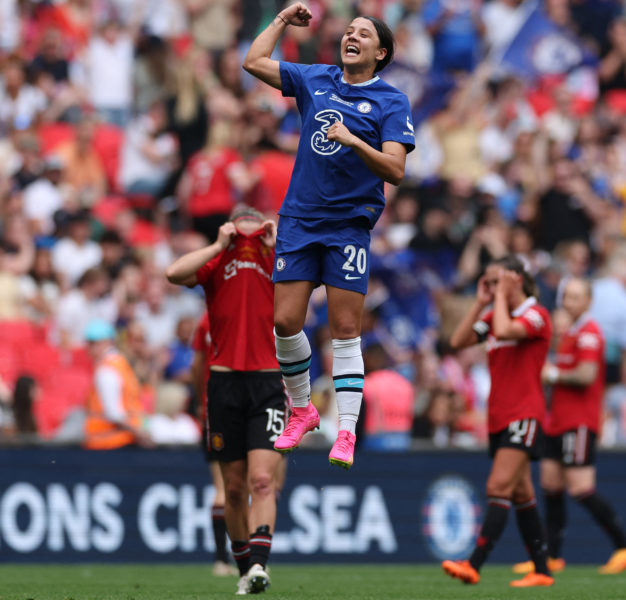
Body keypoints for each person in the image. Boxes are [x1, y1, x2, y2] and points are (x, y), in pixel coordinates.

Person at [242, 3, 415, 469]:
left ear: (380, 53)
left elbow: (396, 169)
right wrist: (279, 21)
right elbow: (253, 62)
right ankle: (302, 410)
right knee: (284, 322)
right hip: (300, 219)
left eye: (363, 33)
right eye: (348, 30)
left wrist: (356, 141)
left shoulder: (391, 101)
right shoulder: (317, 78)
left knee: (344, 330)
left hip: (348, 225)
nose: (350, 36)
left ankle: (346, 431)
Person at [165, 206, 286, 595]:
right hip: (224, 384)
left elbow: (312, 275)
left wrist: (275, 242)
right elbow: (174, 273)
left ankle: (258, 567)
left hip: (268, 381)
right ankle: (242, 567)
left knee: (262, 480)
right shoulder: (217, 260)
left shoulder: (277, 257)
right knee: (233, 487)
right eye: (241, 234)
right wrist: (220, 243)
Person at [512, 277, 626, 576]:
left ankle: (625, 546)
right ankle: (551, 557)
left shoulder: (589, 333)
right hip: (557, 421)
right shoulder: (569, 332)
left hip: (579, 422)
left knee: (581, 488)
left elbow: (586, 375)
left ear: (588, 302)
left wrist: (553, 375)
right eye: (565, 297)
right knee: (550, 485)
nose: (568, 302)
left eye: (574, 297)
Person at [441, 256, 555, 588]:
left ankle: (473, 564)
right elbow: (458, 342)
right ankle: (542, 571)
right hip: (500, 415)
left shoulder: (536, 314)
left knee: (497, 487)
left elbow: (505, 330)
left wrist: (500, 299)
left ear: (516, 279)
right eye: (488, 283)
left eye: (497, 281)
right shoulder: (493, 314)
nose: (491, 288)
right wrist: (479, 304)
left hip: (525, 413)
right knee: (521, 492)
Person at [189, 311, 237, 577]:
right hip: (248, 405)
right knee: (250, 484)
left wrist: (200, 402)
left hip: (214, 407)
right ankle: (252, 558)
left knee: (222, 486)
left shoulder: (206, 320)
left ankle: (221, 559)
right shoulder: (247, 310)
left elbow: (197, 367)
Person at [82, 319, 151, 450]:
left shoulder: (106, 370)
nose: (89, 349)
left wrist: (140, 433)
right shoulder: (122, 365)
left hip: (109, 443)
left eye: (93, 343)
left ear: (106, 342)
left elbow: (113, 413)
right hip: (123, 440)